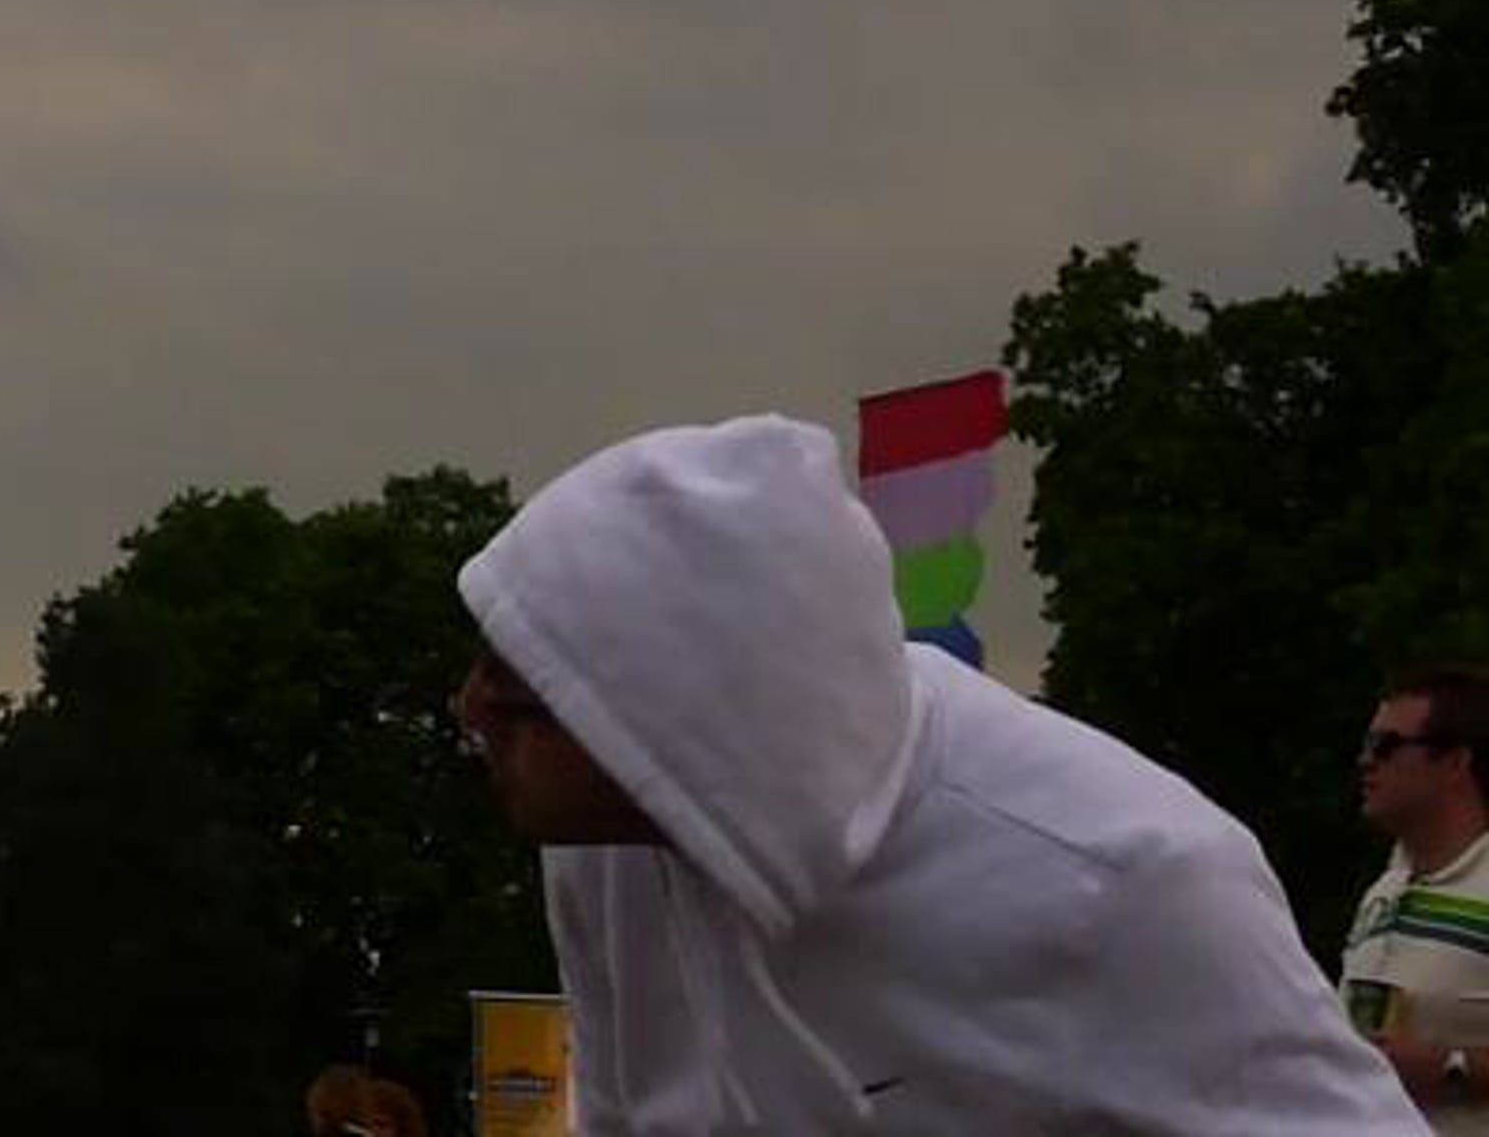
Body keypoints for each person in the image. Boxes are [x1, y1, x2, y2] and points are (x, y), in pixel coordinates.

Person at [451, 416, 1426, 1133]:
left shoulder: (1123, 879)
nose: (468, 713)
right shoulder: (613, 844)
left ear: (672, 714)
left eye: (517, 694)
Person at [1344, 662, 1489, 1132]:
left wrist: (1452, 1067)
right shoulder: (1385, 887)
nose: (1366, 761)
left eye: (1385, 745)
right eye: (1366, 744)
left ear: (1455, 764)